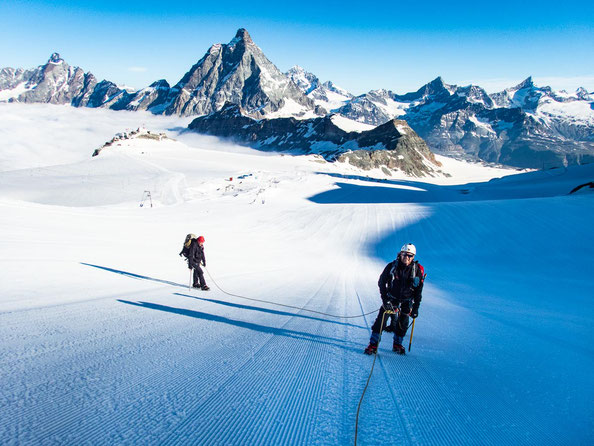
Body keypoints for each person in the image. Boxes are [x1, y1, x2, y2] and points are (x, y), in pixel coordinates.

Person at [364, 243, 425, 355]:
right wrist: (385, 299)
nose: (407, 257)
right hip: (391, 299)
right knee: (380, 321)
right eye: (404, 254)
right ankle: (373, 344)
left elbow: (418, 291)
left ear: (413, 257)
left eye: (410, 255)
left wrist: (415, 308)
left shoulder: (416, 271)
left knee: (403, 323)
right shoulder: (392, 266)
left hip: (407, 300)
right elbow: (381, 282)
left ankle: (397, 344)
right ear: (400, 254)